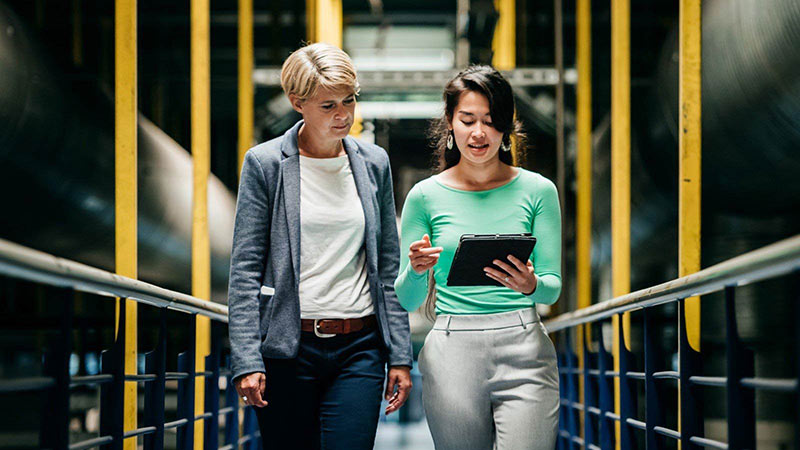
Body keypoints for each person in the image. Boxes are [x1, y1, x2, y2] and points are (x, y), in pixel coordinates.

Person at [227, 42, 413, 450]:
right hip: (288, 349)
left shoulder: (374, 162)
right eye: (328, 106)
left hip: (360, 347)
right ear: (298, 103)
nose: (344, 115)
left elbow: (387, 265)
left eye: (349, 100)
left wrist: (400, 354)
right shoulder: (265, 164)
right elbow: (244, 269)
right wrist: (246, 359)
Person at [395, 65, 561, 450]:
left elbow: (552, 289)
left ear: (506, 127)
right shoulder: (424, 195)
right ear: (450, 123)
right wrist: (419, 269)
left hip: (524, 342)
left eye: (490, 121)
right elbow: (406, 299)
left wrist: (531, 284)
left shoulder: (539, 190)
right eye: (467, 119)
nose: (479, 132)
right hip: (452, 348)